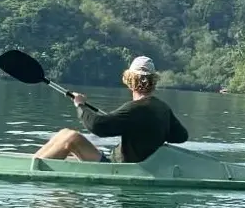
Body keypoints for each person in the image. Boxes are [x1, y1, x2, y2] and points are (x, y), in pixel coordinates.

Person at [34, 55, 188, 163]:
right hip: (121, 161)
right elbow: (181, 136)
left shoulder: (135, 109)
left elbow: (98, 126)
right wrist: (150, 133)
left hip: (120, 168)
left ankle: (33, 169)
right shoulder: (162, 108)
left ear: (130, 81)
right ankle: (36, 161)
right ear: (154, 81)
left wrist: (80, 105)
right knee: (64, 133)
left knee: (71, 138)